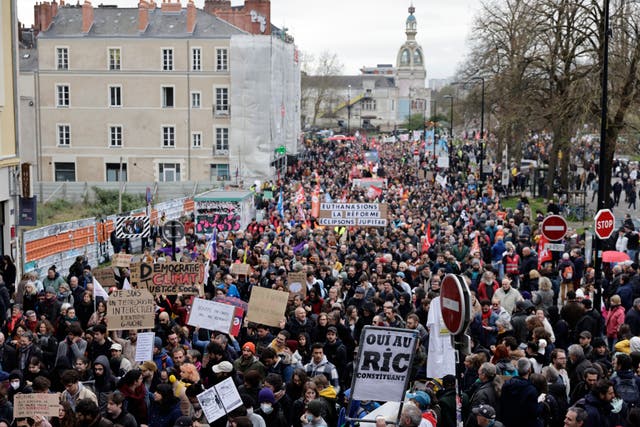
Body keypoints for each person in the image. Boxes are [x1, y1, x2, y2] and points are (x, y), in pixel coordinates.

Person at [499, 358, 540, 427]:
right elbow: (534, 412)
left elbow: (502, 404)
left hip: (508, 423)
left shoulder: (506, 385)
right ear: (529, 370)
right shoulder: (531, 389)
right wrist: (541, 404)